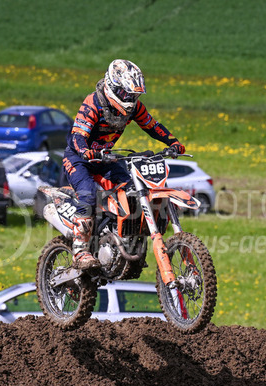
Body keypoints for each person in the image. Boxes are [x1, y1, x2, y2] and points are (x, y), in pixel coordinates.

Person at [63, 59, 185, 269]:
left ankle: (126, 243)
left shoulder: (134, 108)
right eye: (126, 94)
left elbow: (152, 125)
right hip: (78, 159)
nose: (130, 100)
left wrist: (173, 142)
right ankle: (80, 251)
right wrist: (85, 151)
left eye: (133, 95)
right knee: (88, 194)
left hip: (105, 158)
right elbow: (78, 136)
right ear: (112, 86)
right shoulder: (93, 102)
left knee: (132, 192)